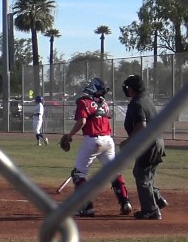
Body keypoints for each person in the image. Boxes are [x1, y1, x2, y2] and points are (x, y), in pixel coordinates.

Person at [60, 77, 133, 217]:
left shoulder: (83, 101)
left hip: (92, 140)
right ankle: (125, 202)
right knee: (113, 172)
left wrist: (69, 136)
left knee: (79, 174)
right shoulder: (104, 103)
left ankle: (87, 208)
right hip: (108, 140)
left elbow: (82, 121)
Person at [121, 74, 168, 220]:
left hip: (149, 144)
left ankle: (151, 210)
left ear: (131, 88)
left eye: (127, 87)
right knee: (147, 175)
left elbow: (141, 125)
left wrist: (127, 142)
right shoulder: (147, 99)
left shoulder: (137, 103)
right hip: (157, 142)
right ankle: (158, 200)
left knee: (142, 176)